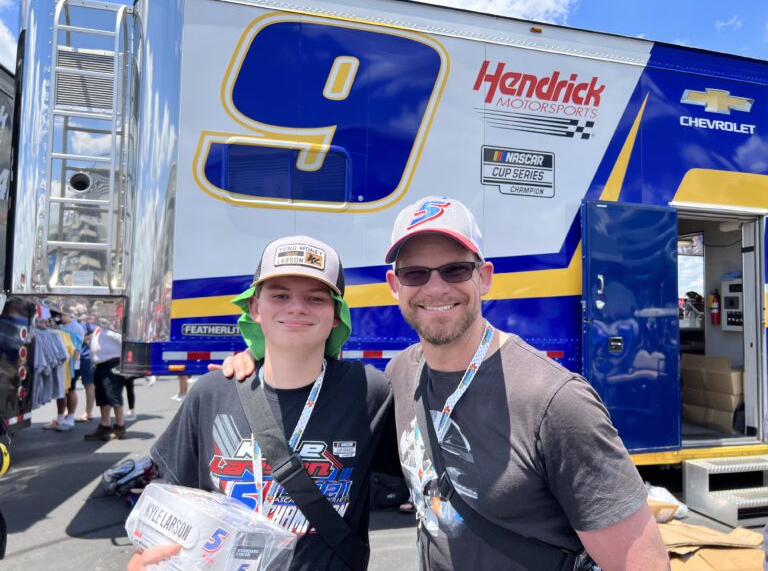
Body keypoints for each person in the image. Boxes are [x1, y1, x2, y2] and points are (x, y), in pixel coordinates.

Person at [220, 197, 670, 571]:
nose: (435, 287)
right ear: (395, 285)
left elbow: (641, 564)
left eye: (455, 270)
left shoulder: (555, 402)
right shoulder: (399, 376)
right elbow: (315, 379)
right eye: (416, 273)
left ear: (484, 277)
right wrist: (261, 357)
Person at [128, 235, 396, 571]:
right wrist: (142, 561)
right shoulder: (211, 393)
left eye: (315, 298)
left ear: (337, 316)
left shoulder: (368, 393)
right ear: (255, 308)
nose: (296, 307)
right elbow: (169, 511)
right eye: (279, 295)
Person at [83, 326, 127, 441]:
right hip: (100, 365)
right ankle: (105, 425)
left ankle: (120, 426)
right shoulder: (99, 327)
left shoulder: (114, 328)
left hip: (112, 363)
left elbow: (126, 342)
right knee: (102, 397)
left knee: (113, 394)